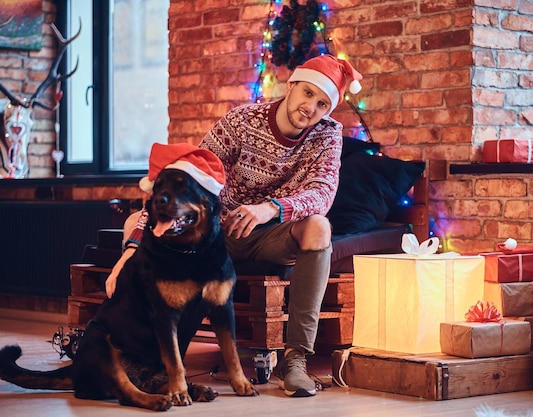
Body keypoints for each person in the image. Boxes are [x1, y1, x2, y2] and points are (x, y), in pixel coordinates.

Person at [105, 54, 363, 397]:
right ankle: (136, 353)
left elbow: (322, 193)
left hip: (269, 233)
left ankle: (296, 358)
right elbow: (188, 180)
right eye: (307, 94)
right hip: (214, 236)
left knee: (319, 227)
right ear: (291, 86)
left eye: (322, 103)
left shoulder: (328, 135)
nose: (310, 108)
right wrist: (131, 251)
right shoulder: (242, 121)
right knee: (129, 223)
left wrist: (269, 209)